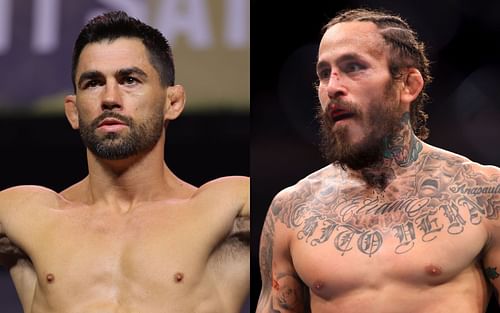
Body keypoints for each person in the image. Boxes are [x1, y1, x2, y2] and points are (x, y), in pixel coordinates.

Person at [0, 10, 249, 313]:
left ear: (173, 102)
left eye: (129, 80)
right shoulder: (26, 215)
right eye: (93, 83)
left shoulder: (225, 210)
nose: (110, 98)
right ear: (73, 111)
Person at [257, 8, 500, 313]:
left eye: (353, 67)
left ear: (408, 85)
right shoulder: (291, 211)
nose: (332, 87)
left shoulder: (484, 193)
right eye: (323, 73)